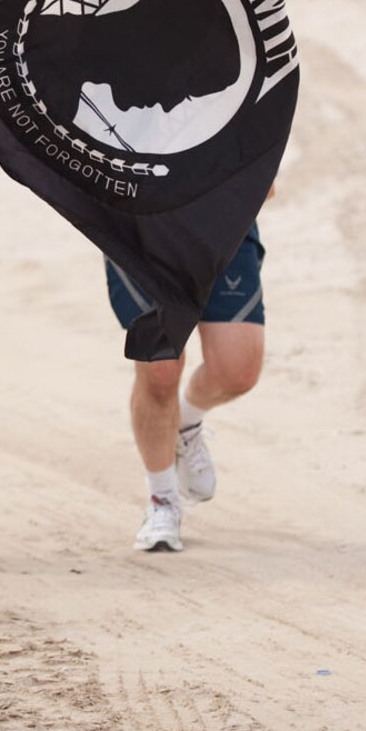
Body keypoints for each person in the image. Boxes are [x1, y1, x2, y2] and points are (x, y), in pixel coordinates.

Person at [104, 220, 267, 553]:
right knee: (160, 370)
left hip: (219, 218)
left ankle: (184, 422)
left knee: (237, 371)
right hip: (135, 222)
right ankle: (162, 500)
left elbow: (265, 183)